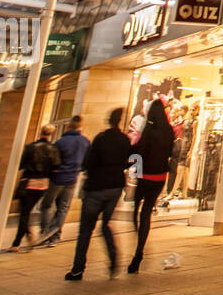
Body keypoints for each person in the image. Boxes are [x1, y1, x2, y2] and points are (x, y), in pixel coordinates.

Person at [64, 108, 131, 281]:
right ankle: (113, 257)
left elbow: (88, 162)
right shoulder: (125, 140)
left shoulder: (101, 139)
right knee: (105, 224)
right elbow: (129, 161)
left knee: (85, 230)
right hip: (115, 187)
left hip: (97, 187)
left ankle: (78, 269)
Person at [128, 98, 173, 273]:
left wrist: (135, 173)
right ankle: (139, 247)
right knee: (147, 210)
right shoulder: (168, 131)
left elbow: (140, 151)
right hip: (160, 175)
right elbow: (170, 153)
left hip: (145, 175)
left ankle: (138, 244)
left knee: (137, 210)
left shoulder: (149, 129)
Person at [39, 116, 90, 246]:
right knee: (63, 207)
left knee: (47, 205)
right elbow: (87, 161)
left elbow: (53, 161)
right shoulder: (85, 142)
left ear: (68, 126)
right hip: (72, 178)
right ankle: (55, 236)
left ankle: (46, 232)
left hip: (58, 178)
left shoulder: (61, 142)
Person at [8, 125, 60, 252]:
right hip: (43, 183)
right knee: (27, 211)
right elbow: (56, 166)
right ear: (51, 134)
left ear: (40, 132)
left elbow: (20, 164)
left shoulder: (31, 147)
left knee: (24, 213)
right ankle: (25, 237)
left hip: (29, 181)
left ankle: (19, 241)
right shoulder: (53, 149)